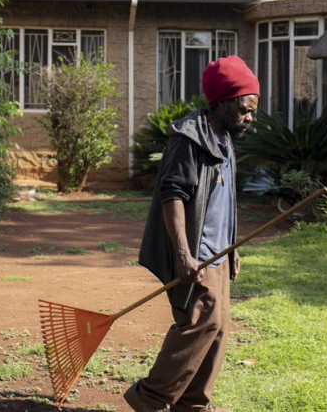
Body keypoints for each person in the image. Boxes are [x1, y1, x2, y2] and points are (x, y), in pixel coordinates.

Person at [126, 55, 259, 412]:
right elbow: (172, 196)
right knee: (199, 325)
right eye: (246, 109)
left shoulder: (226, 140)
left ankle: (193, 405)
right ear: (224, 101)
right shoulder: (189, 139)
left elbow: (224, 199)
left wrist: (232, 248)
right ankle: (150, 398)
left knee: (217, 331)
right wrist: (184, 254)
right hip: (195, 253)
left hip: (218, 252)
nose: (250, 117)